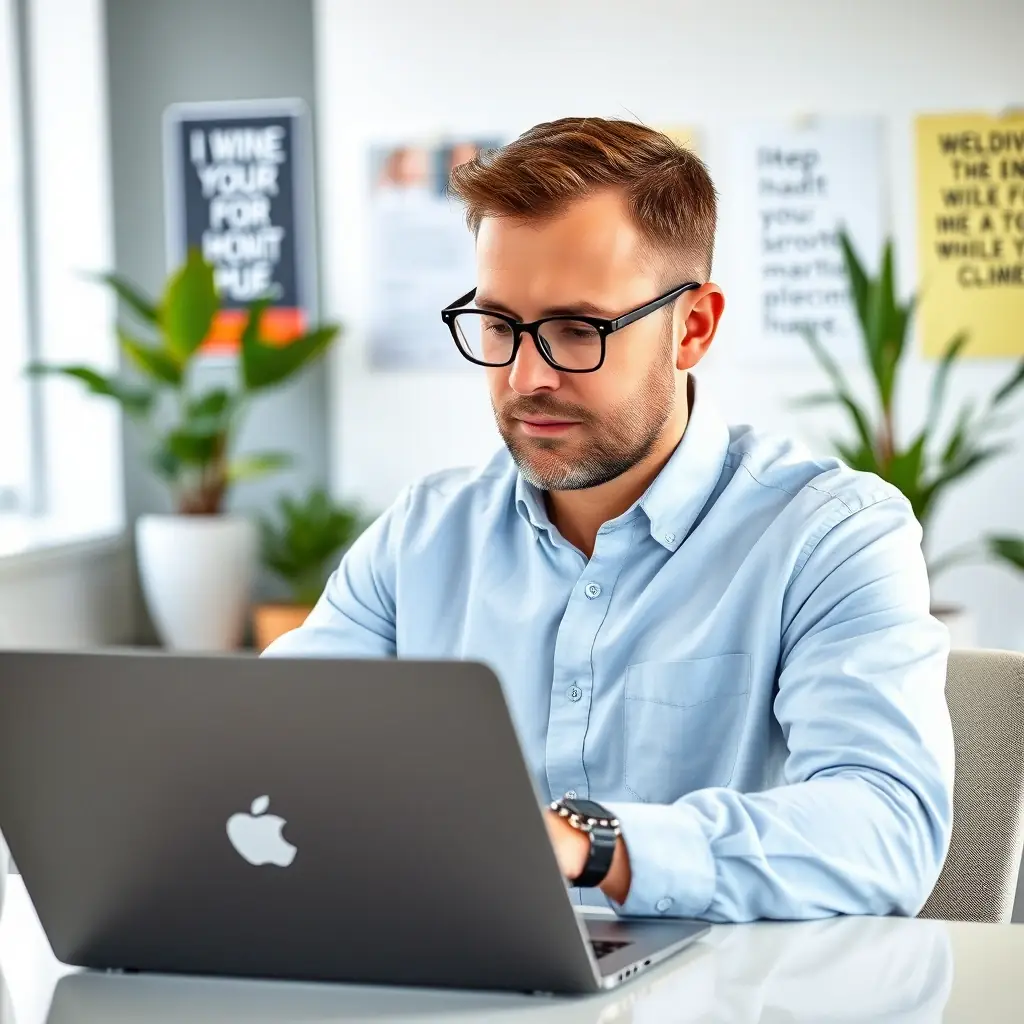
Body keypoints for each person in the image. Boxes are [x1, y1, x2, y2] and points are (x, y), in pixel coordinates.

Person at [265, 118, 954, 923]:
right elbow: (273, 744)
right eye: (499, 326)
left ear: (692, 327)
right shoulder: (425, 533)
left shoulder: (831, 536)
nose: (526, 376)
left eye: (575, 330)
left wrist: (591, 844)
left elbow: (887, 826)